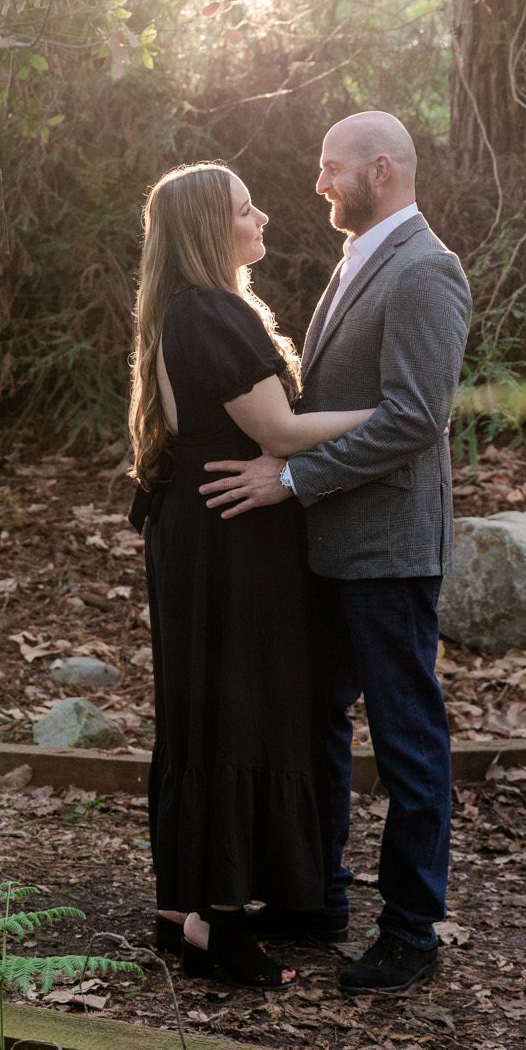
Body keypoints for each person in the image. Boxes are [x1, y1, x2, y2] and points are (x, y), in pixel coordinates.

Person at [200, 112, 471, 996]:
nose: (316, 185)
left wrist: (290, 479)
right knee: (315, 721)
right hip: (329, 543)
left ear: (380, 169)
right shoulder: (358, 261)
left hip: (387, 543)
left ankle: (411, 930)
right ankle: (317, 898)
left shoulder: (426, 270)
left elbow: (411, 419)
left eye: (329, 169)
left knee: (405, 739)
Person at [129, 161, 374, 986]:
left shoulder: (180, 312)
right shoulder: (209, 311)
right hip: (229, 539)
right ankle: (224, 924)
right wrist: (395, 417)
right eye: (245, 208)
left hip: (206, 531)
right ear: (209, 229)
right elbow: (276, 428)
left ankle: (183, 913)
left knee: (202, 711)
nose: (262, 216)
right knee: (238, 709)